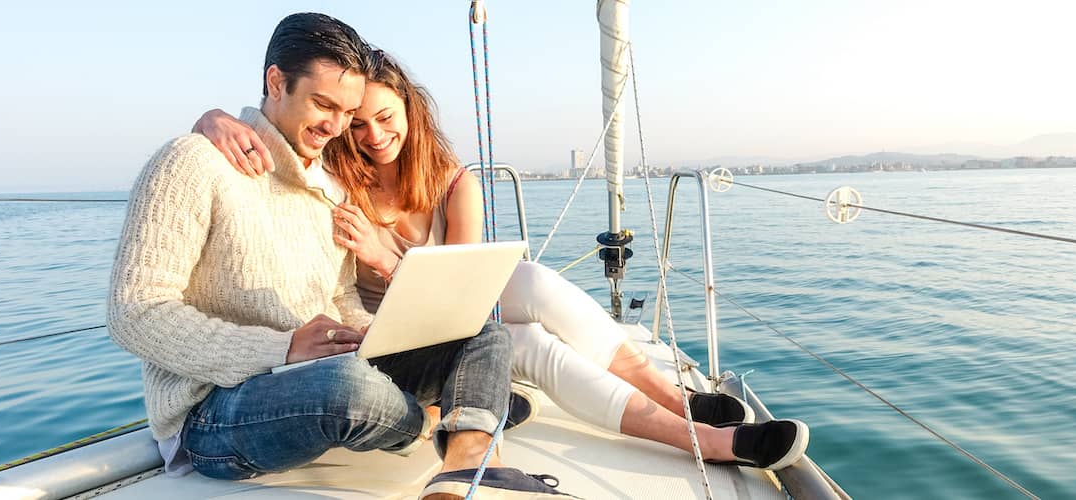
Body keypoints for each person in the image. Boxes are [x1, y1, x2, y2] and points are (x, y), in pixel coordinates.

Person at [195, 49, 809, 470]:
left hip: (450, 324)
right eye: (356, 124)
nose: (372, 136)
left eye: (385, 118)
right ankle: (706, 439)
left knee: (535, 284)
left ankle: (677, 400)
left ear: (411, 109)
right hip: (388, 338)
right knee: (531, 345)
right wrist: (212, 118)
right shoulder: (332, 175)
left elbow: (461, 292)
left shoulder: (451, 182)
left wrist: (389, 254)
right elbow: (276, 139)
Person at [107, 13, 573, 499]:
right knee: (345, 385)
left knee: (481, 334)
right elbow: (134, 312)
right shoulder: (193, 162)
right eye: (322, 104)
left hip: (321, 370)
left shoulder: (329, 185)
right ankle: (444, 419)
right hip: (215, 409)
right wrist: (281, 349)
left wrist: (368, 333)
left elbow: (339, 292)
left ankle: (465, 460)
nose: (335, 127)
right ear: (276, 82)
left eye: (346, 114)